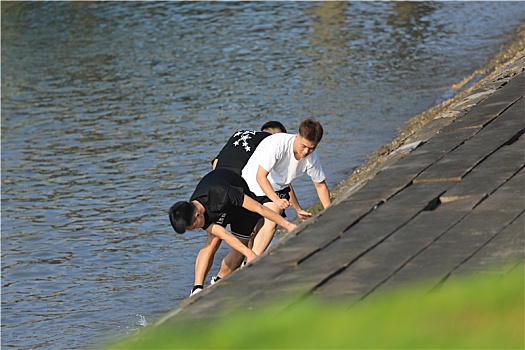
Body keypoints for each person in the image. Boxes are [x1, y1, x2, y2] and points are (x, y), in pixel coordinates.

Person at [187, 121, 288, 297]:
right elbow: (281, 182)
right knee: (255, 224)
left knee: (214, 239)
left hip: (218, 181)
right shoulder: (273, 145)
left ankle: (197, 289)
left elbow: (216, 163)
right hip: (238, 183)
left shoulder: (239, 134)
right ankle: (237, 271)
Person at [240, 117, 331, 257]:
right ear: (297, 136)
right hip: (250, 183)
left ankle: (251, 261)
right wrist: (276, 200)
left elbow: (320, 186)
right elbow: (260, 177)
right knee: (248, 232)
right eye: (304, 146)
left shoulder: (311, 158)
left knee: (272, 221)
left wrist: (331, 212)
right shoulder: (278, 145)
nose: (306, 152)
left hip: (275, 187)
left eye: (312, 148)